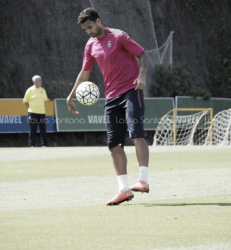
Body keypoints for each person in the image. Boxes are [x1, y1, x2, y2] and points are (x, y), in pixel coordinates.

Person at [67, 8, 150, 206]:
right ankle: (123, 189)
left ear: (98, 21)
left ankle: (143, 180)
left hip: (131, 90)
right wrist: (71, 96)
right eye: (85, 29)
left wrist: (142, 76)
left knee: (136, 134)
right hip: (111, 98)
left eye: (90, 27)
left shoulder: (119, 36)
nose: (89, 31)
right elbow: (84, 73)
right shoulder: (90, 45)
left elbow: (143, 55)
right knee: (113, 145)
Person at [23, 75, 49, 147]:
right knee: (32, 130)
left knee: (43, 129)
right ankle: (32, 145)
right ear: (35, 82)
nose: (41, 81)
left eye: (41, 80)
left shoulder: (43, 90)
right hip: (32, 113)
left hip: (42, 113)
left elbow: (45, 101)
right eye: (39, 80)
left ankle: (45, 145)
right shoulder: (29, 90)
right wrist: (31, 108)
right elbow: (25, 101)